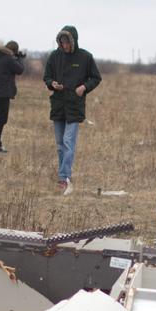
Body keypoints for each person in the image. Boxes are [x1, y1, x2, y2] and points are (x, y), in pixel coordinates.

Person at [43, 25, 101, 195]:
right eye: (61, 42)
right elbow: (46, 76)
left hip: (75, 106)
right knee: (60, 145)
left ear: (73, 41)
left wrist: (84, 87)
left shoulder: (85, 57)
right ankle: (65, 176)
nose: (64, 45)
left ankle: (64, 178)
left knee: (69, 142)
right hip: (58, 105)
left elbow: (96, 78)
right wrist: (51, 83)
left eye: (66, 42)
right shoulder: (54, 56)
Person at [0, 40, 25, 153]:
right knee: (1, 119)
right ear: (14, 50)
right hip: (3, 92)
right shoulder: (8, 58)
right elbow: (20, 70)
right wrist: (19, 58)